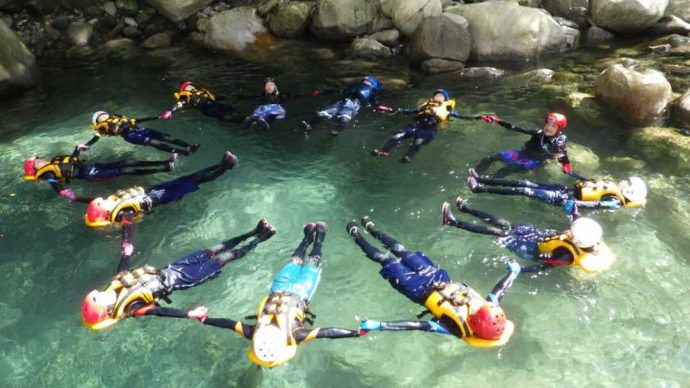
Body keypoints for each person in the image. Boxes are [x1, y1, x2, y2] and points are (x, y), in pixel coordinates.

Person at [187, 222, 363, 368]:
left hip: (301, 292)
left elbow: (326, 332)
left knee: (312, 262)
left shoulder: (294, 335)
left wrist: (357, 332)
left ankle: (319, 235)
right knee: (295, 260)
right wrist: (204, 319)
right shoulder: (252, 332)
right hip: (279, 289)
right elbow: (228, 324)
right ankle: (309, 235)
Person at [346, 217, 519, 347]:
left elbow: (418, 325)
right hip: (438, 278)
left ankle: (356, 235)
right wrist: (513, 273)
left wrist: (379, 325)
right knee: (401, 250)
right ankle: (373, 229)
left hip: (417, 289)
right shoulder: (486, 307)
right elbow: (500, 290)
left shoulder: (457, 328)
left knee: (385, 259)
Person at [81, 219, 276, 330]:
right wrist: (189, 314)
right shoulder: (125, 294)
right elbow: (160, 310)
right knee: (220, 255)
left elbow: (159, 310)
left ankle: (256, 234)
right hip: (179, 273)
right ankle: (258, 235)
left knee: (217, 253)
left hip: (178, 273)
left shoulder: (124, 295)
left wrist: (189, 314)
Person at [441, 197, 616, 274]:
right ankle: (466, 209)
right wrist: (574, 209)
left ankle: (453, 222)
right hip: (538, 237)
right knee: (504, 224)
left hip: (530, 250)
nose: (570, 230)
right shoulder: (586, 237)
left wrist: (520, 271)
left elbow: (544, 266)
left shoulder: (566, 256)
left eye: (572, 232)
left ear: (577, 240)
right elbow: (577, 220)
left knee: (499, 232)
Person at [84, 151, 237, 228]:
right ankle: (227, 167)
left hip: (154, 191)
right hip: (161, 197)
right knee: (196, 181)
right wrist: (127, 246)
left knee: (191, 177)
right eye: (102, 203)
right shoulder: (123, 214)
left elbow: (88, 200)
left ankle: (221, 164)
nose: (104, 200)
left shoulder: (114, 204)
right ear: (103, 212)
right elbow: (127, 228)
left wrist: (74, 197)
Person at [23, 146, 175, 203]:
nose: (40, 159)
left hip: (91, 167)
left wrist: (77, 149)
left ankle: (165, 163)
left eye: (38, 158)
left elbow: (72, 160)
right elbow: (54, 183)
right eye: (37, 161)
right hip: (92, 174)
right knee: (126, 169)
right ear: (36, 169)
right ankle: (164, 168)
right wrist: (62, 192)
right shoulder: (46, 173)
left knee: (127, 162)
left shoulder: (54, 161)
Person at [371, 89, 480, 163]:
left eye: (441, 96)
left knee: (418, 142)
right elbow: (409, 111)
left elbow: (463, 117)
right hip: (416, 125)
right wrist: (391, 110)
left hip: (429, 129)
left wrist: (478, 117)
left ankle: (407, 156)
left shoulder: (447, 110)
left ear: (445, 100)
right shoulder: (426, 106)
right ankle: (384, 151)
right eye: (436, 95)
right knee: (397, 136)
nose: (438, 96)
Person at [467, 168, 648, 211]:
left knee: (523, 190)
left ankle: (480, 190)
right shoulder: (613, 189)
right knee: (524, 183)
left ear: (629, 192)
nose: (623, 181)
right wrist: (572, 174)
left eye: (627, 183)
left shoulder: (615, 201)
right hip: (563, 189)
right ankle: (481, 179)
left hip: (561, 198)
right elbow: (589, 182)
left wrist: (572, 203)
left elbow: (595, 204)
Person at [474, 112, 572, 178]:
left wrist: (566, 166)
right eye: (547, 124)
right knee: (491, 157)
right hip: (523, 153)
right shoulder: (538, 133)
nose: (548, 127)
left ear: (558, 129)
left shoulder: (559, 141)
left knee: (509, 168)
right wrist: (496, 120)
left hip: (535, 161)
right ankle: (476, 173)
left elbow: (562, 153)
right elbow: (515, 128)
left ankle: (488, 179)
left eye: (553, 126)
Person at [79, 111, 199, 156]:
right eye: (100, 117)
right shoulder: (102, 128)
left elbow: (137, 121)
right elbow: (96, 138)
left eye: (103, 114)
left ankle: (189, 146)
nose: (103, 115)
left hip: (141, 130)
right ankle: (181, 151)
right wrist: (88, 145)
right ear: (98, 121)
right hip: (131, 136)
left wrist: (158, 117)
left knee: (165, 137)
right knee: (154, 142)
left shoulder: (118, 117)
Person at [300, 75, 383, 136]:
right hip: (341, 103)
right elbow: (339, 90)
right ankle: (309, 125)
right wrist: (322, 91)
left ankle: (336, 130)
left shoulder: (371, 94)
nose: (364, 81)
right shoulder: (353, 87)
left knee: (344, 119)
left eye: (367, 81)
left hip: (352, 106)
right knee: (321, 114)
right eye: (364, 80)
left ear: (372, 84)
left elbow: (376, 104)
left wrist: (388, 109)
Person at [160, 81, 242, 123]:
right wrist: (170, 110)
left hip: (213, 104)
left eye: (192, 85)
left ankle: (244, 119)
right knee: (222, 114)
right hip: (205, 108)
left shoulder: (200, 92)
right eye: (189, 86)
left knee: (229, 108)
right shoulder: (185, 95)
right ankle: (240, 121)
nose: (192, 86)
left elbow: (214, 98)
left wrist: (225, 96)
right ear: (185, 89)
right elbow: (180, 103)